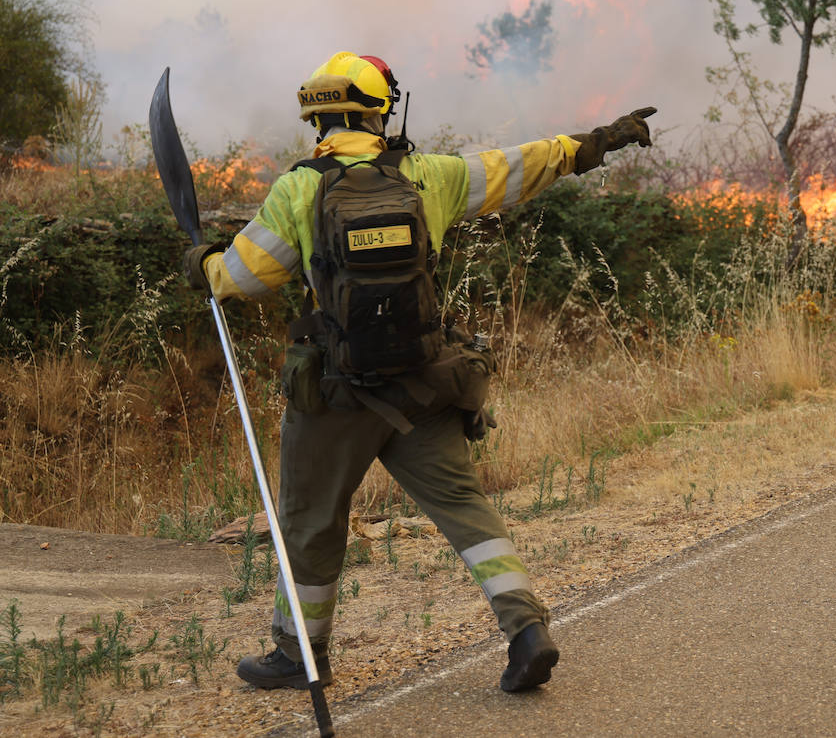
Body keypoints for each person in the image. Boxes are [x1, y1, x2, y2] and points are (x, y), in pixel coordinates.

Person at [182, 51, 654, 692]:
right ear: (381, 110)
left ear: (318, 117)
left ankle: (300, 653)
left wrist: (204, 262)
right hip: (425, 382)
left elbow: (238, 279)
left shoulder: (299, 187)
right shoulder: (429, 175)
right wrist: (594, 142)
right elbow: (517, 168)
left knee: (310, 520)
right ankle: (526, 630)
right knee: (463, 506)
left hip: (336, 397)